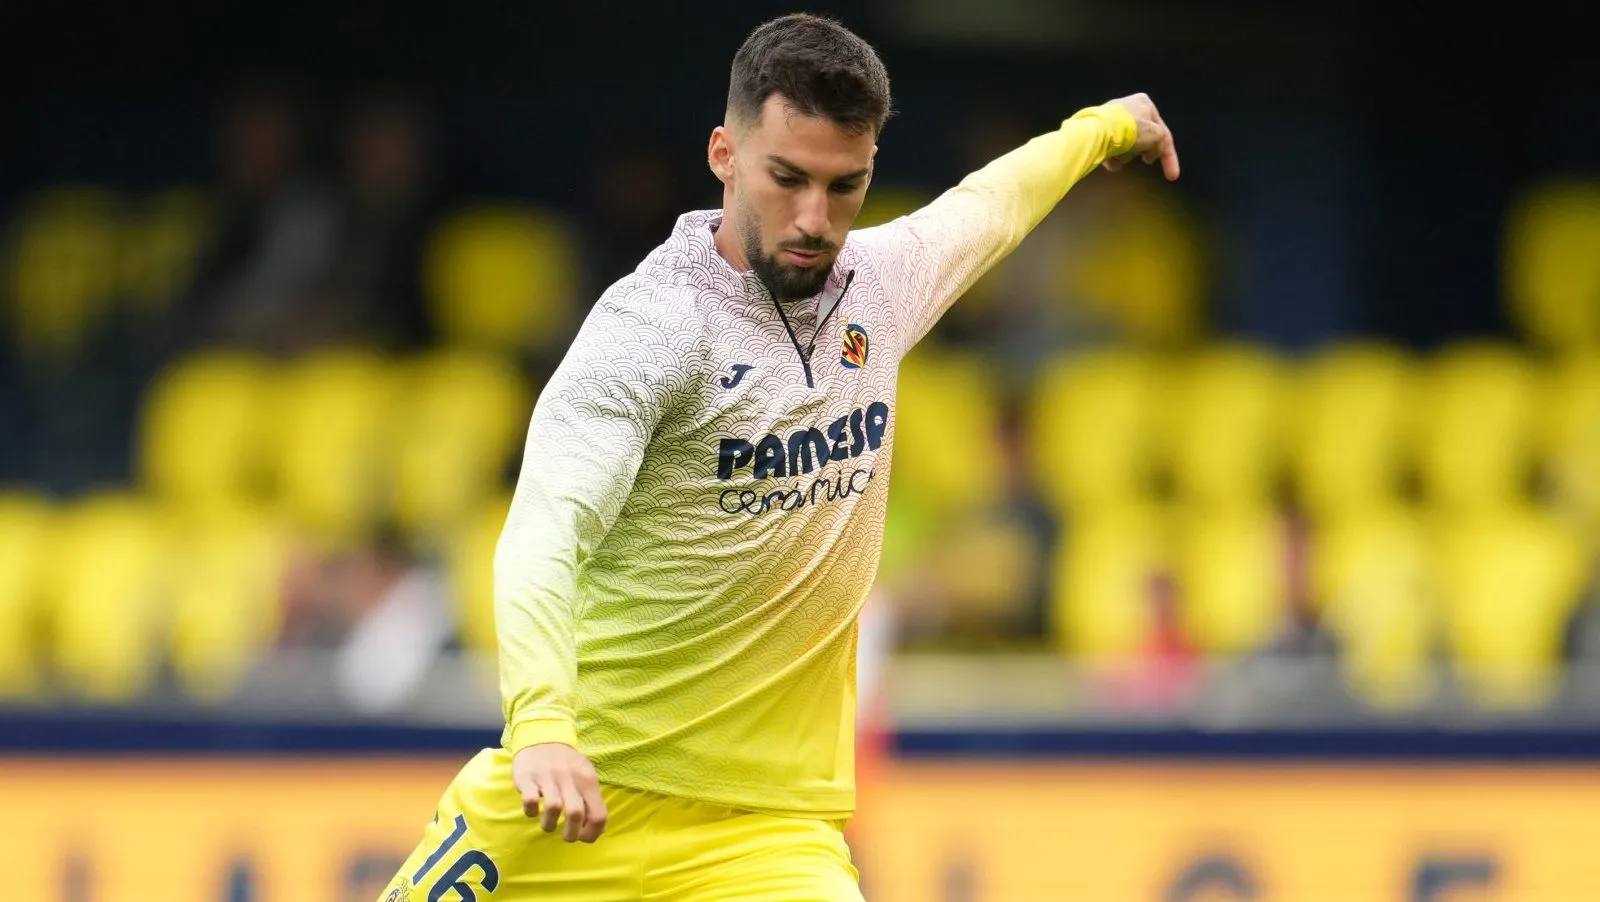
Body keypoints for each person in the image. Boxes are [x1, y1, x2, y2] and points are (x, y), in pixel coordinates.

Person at [378, 12, 1178, 901]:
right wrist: (540, 726)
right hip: (571, 794)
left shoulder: (883, 282)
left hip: (769, 836)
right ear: (724, 154)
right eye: (786, 178)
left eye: (846, 187)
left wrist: (1103, 127)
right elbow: (542, 534)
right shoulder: (649, 330)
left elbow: (989, 206)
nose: (813, 220)